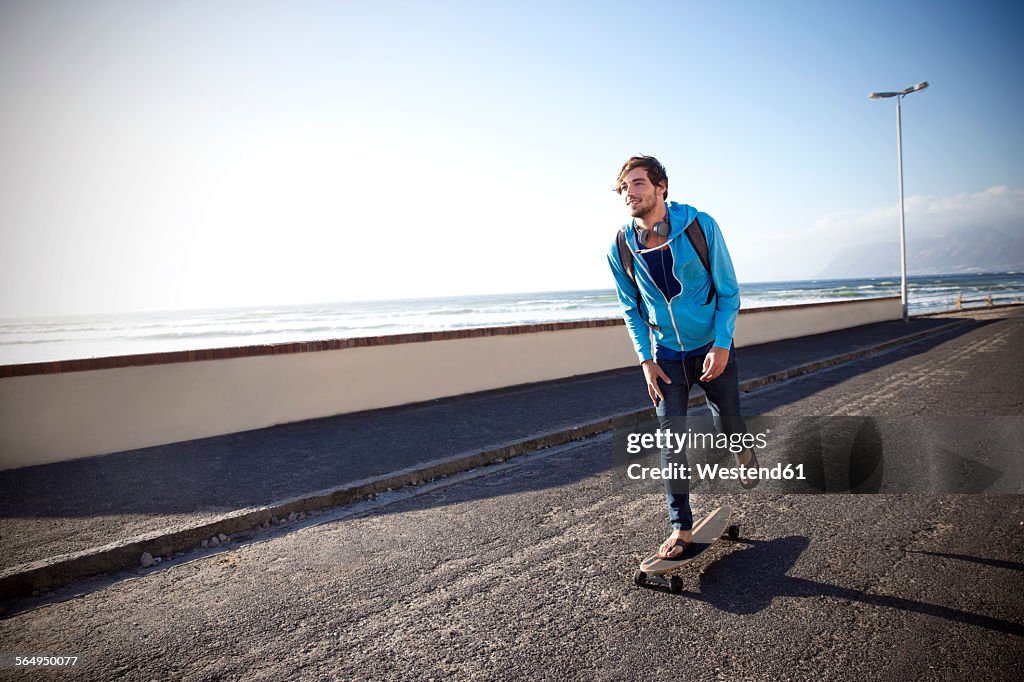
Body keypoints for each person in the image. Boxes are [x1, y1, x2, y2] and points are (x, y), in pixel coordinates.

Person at [606, 155, 757, 560]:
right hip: (666, 356)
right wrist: (645, 360)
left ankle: (741, 448)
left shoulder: (699, 226)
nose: (630, 193)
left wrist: (722, 344)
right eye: (624, 188)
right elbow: (630, 308)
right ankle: (681, 528)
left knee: (727, 422)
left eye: (638, 183)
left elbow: (728, 291)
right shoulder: (620, 246)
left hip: (711, 347)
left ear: (661, 187)